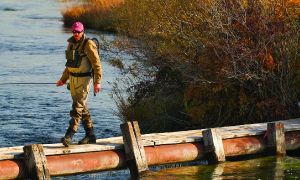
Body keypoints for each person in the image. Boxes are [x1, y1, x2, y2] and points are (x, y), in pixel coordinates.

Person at [56, 21, 102, 147]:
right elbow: (69, 65)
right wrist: (63, 79)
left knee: (77, 107)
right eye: (74, 31)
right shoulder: (70, 44)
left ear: (82, 31)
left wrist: (97, 82)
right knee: (83, 108)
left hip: (85, 80)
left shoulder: (89, 44)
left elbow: (97, 65)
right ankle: (90, 135)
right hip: (73, 80)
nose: (75, 34)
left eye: (78, 32)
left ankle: (69, 136)